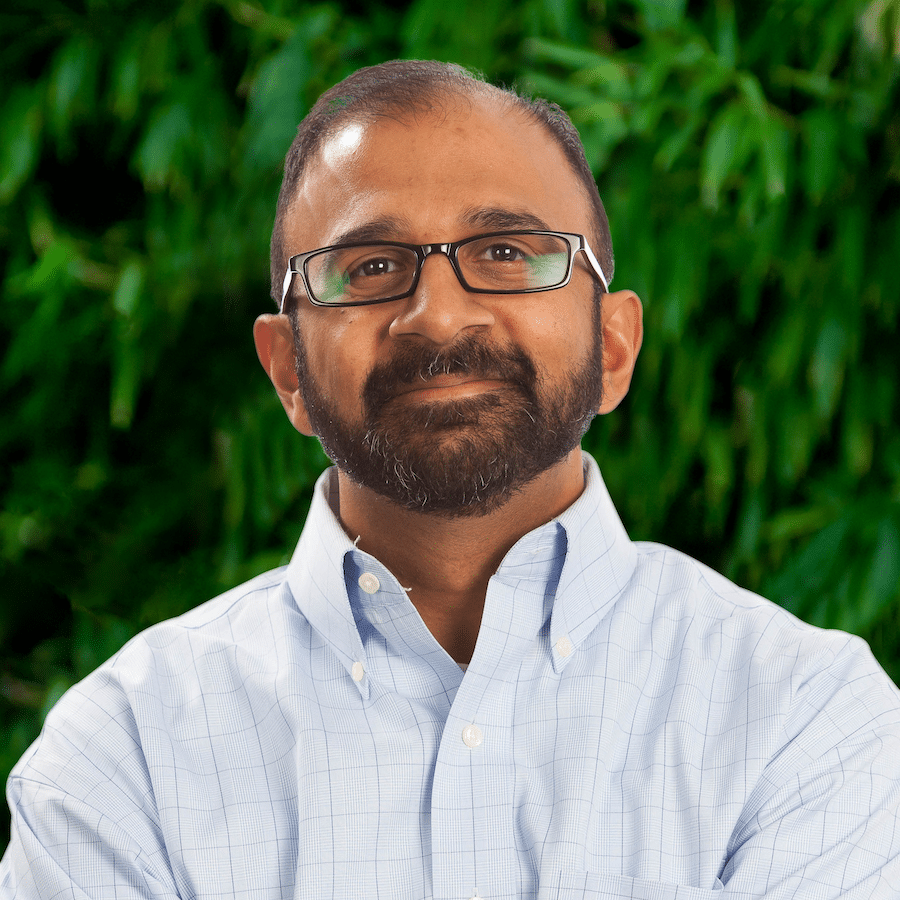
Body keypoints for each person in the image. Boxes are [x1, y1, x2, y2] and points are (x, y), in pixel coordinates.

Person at [2, 59, 899, 900]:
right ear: (287, 372)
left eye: (508, 252)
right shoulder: (125, 757)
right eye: (371, 269)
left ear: (615, 346)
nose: (436, 316)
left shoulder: (804, 720)